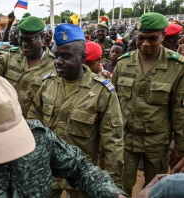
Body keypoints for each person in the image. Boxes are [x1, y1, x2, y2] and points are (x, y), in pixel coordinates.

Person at [0, 73, 127, 198]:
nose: (8, 151)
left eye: (10, 133)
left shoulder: (39, 136)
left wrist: (112, 194)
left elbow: (80, 169)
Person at [27, 24, 124, 198]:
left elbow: (113, 142)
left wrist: (111, 185)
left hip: (82, 174)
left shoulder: (102, 91)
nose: (58, 62)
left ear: (82, 57)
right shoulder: (47, 84)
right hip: (48, 170)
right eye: (56, 56)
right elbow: (33, 124)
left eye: (66, 56)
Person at [112, 12, 184, 197]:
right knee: (121, 183)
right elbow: (112, 103)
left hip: (157, 141)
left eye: (152, 39)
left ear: (162, 36)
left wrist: (180, 145)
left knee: (157, 188)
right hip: (127, 138)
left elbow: (179, 110)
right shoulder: (123, 63)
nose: (145, 44)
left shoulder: (176, 66)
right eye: (141, 38)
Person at [0, 16, 55, 118]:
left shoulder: (54, 66)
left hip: (37, 130)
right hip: (8, 122)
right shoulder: (11, 57)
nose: (24, 44)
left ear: (43, 37)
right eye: (21, 39)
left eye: (29, 40)